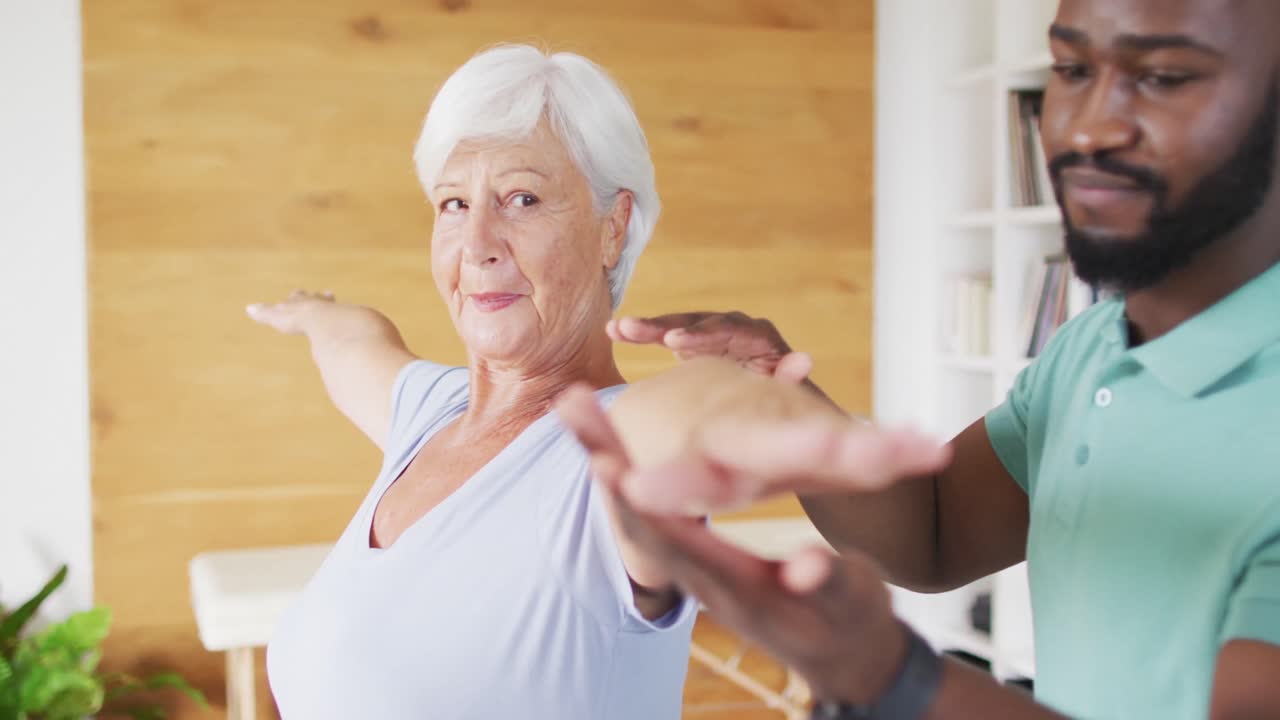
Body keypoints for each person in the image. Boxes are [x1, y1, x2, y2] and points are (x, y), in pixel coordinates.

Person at [556, 0, 1280, 717]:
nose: (1090, 126)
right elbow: (934, 533)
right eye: (1071, 67)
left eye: (1164, 77)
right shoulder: (1090, 351)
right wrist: (779, 393)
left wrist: (890, 677)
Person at [246, 44, 697, 719]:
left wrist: (752, 390)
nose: (478, 240)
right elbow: (354, 343)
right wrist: (313, 312)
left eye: (522, 198)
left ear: (614, 227)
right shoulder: (430, 414)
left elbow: (688, 440)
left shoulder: (621, 448)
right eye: (453, 204)